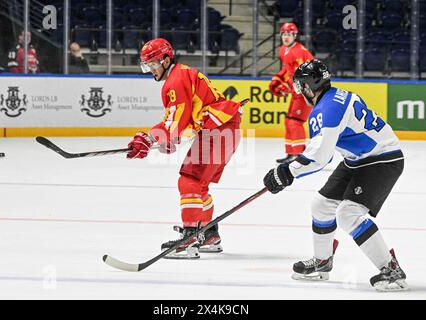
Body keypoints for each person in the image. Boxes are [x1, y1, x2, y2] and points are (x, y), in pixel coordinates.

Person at [263, 59, 408, 292]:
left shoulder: (326, 110)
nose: (300, 92)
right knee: (321, 205)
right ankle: (322, 262)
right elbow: (322, 153)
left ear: (310, 86)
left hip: (382, 159)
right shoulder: (335, 97)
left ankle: (391, 270)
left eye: (301, 86)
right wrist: (288, 171)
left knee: (348, 213)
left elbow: (320, 157)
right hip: (360, 159)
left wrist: (286, 172)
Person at [126, 38, 245, 259]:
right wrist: (168, 139)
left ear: (166, 59)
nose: (150, 70)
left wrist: (148, 138)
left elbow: (174, 123)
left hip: (218, 130)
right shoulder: (180, 75)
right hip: (226, 129)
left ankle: (189, 239)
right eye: (147, 65)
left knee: (188, 181)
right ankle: (208, 234)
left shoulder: (175, 81)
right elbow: (184, 120)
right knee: (199, 186)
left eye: (152, 64)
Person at [269, 22, 313, 164]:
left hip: (307, 91)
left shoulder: (299, 52)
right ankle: (291, 152)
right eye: (284, 34)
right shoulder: (284, 50)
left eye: (289, 34)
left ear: (295, 36)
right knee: (289, 121)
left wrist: (286, 86)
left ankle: (299, 154)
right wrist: (277, 79)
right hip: (297, 91)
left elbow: (301, 75)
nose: (286, 37)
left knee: (295, 122)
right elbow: (287, 70)